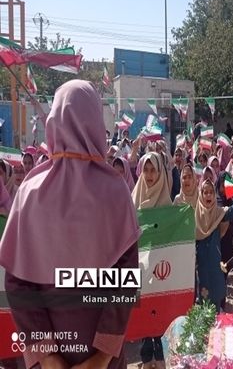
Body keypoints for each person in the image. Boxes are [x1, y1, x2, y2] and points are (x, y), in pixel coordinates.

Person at [0, 80, 140, 369]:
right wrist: (101, 358)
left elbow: (17, 283)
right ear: (94, 122)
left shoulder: (29, 191)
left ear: (54, 122)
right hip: (104, 360)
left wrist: (49, 357)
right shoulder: (115, 191)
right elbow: (125, 283)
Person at [131, 152, 172, 369]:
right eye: (145, 170)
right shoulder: (134, 198)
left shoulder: (167, 203)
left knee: (161, 311)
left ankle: (162, 353)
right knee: (144, 310)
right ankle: (146, 356)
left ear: (159, 173)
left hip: (162, 268)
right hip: (140, 266)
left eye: (153, 170)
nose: (149, 175)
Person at [196, 180, 233, 308]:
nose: (208, 195)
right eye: (205, 192)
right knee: (204, 297)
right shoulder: (196, 214)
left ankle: (217, 322)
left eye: (211, 192)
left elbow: (229, 213)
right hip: (201, 263)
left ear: (214, 195)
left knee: (216, 294)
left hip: (215, 261)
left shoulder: (218, 212)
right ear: (201, 194)